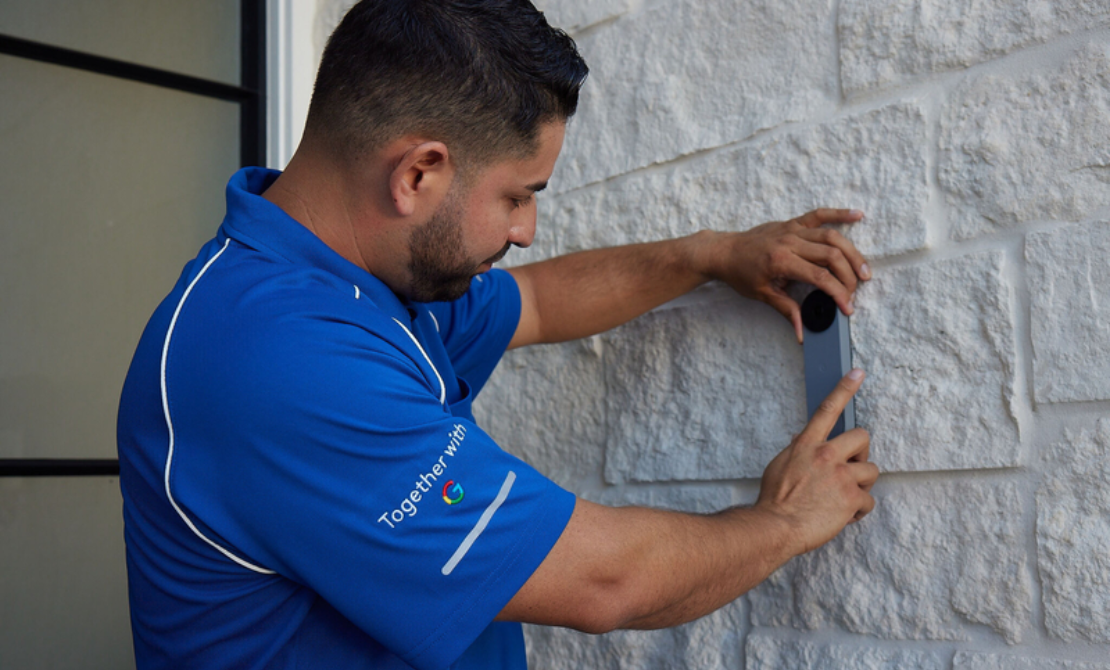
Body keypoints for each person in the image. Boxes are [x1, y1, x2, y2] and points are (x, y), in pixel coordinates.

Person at [116, 1, 878, 668]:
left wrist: (708, 256)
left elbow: (539, 302)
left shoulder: (356, 280)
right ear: (418, 173)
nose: (527, 229)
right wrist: (783, 521)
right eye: (518, 195)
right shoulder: (278, 358)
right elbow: (602, 581)